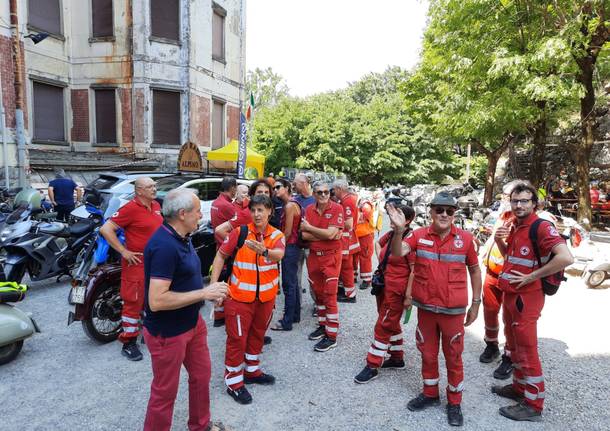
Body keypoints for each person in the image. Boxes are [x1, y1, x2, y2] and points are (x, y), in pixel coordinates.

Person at [388, 192, 482, 427]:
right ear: (430, 212)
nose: (444, 214)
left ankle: (454, 402)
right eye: (439, 210)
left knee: (454, 356)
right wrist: (399, 231)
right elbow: (398, 253)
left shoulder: (466, 239)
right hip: (427, 309)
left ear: (454, 214)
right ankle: (430, 394)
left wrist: (476, 303)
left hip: (454, 312)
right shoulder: (418, 235)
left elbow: (475, 270)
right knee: (428, 355)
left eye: (449, 211)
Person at [143, 188, 229, 431]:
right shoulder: (164, 246)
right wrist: (204, 293)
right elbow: (156, 301)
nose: (201, 216)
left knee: (201, 377)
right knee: (164, 393)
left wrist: (211, 291)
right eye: (198, 211)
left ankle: (200, 426)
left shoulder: (183, 236)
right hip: (168, 333)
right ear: (182, 214)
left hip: (192, 324)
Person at [492, 181, 573, 422]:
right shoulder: (516, 225)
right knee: (514, 345)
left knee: (527, 349)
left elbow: (566, 257)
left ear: (534, 203)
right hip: (512, 295)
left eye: (524, 201)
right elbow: (512, 257)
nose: (519, 205)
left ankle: (533, 404)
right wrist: (498, 241)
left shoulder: (540, 226)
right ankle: (519, 388)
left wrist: (532, 276)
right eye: (515, 201)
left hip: (527, 298)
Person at [210, 195, 286, 405]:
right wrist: (214, 285)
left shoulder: (276, 234)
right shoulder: (239, 232)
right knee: (237, 340)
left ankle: (252, 371)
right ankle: (234, 382)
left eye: (261, 210)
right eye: (253, 210)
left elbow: (279, 254)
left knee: (257, 335)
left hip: (265, 299)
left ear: (270, 211)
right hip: (239, 299)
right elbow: (220, 256)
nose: (257, 214)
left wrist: (265, 251)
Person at [100, 177, 163, 361]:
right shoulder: (130, 209)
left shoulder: (157, 206)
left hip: (155, 262)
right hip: (137, 263)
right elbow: (106, 229)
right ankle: (128, 342)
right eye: (150, 186)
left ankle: (149, 334)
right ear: (139, 191)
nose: (154, 188)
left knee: (154, 298)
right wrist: (123, 251)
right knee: (133, 303)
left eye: (154, 185)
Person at [354, 204, 415, 384]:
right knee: (389, 321)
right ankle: (397, 357)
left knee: (383, 324)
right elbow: (377, 244)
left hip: (397, 290)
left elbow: (414, 270)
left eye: (399, 215)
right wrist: (384, 263)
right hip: (385, 286)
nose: (394, 217)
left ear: (409, 220)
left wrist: (409, 296)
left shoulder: (411, 239)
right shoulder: (390, 235)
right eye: (393, 213)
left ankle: (372, 364)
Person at [479, 181, 520, 380]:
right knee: (489, 310)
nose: (504, 199)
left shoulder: (525, 219)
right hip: (492, 272)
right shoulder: (503, 215)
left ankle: (510, 356)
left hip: (511, 276)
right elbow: (493, 238)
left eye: (507, 196)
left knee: (510, 318)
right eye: (503, 195)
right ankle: (491, 344)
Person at [301, 181, 344, 352]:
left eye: (327, 192)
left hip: (331, 258)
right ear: (314, 194)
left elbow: (332, 234)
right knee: (318, 295)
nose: (324, 195)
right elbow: (304, 235)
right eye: (320, 192)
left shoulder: (337, 209)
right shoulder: (309, 209)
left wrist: (312, 229)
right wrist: (327, 235)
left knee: (330, 296)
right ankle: (323, 325)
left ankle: (331, 336)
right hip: (314, 258)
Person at [271, 179, 301, 331]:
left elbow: (288, 233)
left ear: (287, 188)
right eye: (274, 187)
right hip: (292, 247)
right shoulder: (291, 204)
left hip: (289, 247)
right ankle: (294, 315)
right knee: (292, 282)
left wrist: (279, 247)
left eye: (278, 187)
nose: (275, 190)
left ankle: (287, 321)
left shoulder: (289, 205)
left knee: (288, 284)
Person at [210, 177, 238, 326]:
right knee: (227, 282)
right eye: (236, 188)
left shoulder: (216, 202)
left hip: (219, 246)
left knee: (221, 280)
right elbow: (238, 222)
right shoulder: (227, 205)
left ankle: (219, 315)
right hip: (228, 248)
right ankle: (223, 316)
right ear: (232, 188)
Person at [333, 179, 360, 303]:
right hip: (347, 237)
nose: (333, 192)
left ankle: (350, 294)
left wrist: (332, 224)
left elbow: (348, 224)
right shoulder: (349, 198)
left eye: (334, 189)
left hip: (346, 238)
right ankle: (347, 291)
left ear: (339, 189)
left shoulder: (347, 201)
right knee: (345, 266)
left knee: (345, 266)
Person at [293, 173, 317, 306]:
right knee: (295, 276)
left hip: (311, 245)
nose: (293, 185)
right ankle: (297, 304)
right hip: (297, 245)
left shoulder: (316, 199)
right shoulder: (294, 199)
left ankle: (317, 304)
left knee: (314, 277)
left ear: (303, 184)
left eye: (295, 183)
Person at [354, 194, 376, 290]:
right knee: (353, 256)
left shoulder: (365, 204)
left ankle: (367, 280)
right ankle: (353, 276)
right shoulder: (356, 204)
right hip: (356, 235)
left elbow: (365, 214)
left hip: (365, 235)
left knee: (365, 257)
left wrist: (354, 215)